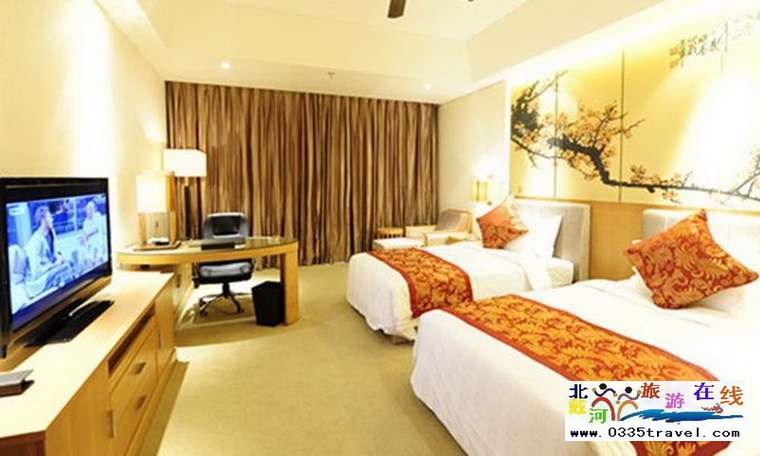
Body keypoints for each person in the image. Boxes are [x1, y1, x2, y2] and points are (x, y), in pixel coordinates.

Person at [23, 205, 74, 297]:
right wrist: (55, 265)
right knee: (66, 267)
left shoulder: (50, 234)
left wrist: (59, 257)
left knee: (70, 262)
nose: (52, 220)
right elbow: (36, 272)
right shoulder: (35, 241)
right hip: (38, 281)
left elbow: (53, 254)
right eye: (50, 217)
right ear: (43, 219)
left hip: (48, 271)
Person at [80, 200, 107, 265]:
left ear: (94, 209)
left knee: (102, 261)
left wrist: (86, 235)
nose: (89, 211)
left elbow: (96, 229)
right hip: (91, 247)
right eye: (87, 209)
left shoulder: (98, 216)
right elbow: (84, 233)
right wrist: (82, 238)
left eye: (91, 208)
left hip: (99, 245)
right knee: (92, 262)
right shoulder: (85, 222)